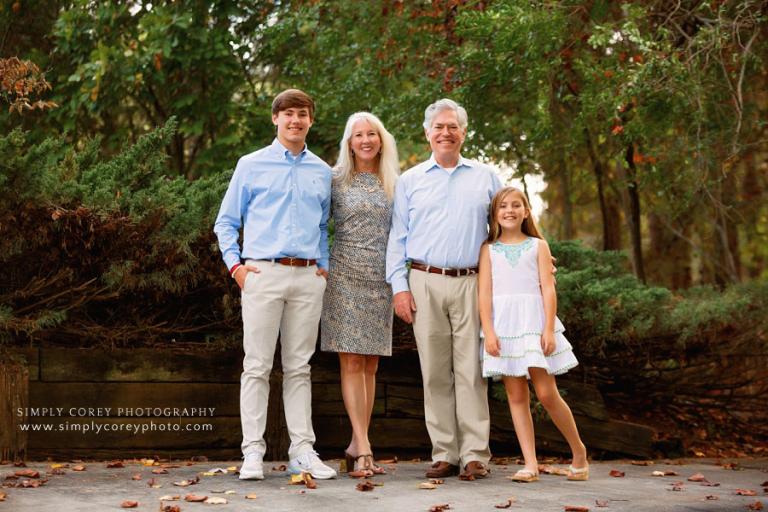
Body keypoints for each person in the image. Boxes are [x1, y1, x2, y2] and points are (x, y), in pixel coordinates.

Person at [213, 89, 337, 481]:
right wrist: (238, 269)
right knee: (257, 365)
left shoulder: (322, 171)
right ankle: (252, 452)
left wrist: (324, 266)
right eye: (288, 114)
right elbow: (226, 222)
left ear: (310, 121)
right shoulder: (251, 165)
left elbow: (322, 226)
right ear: (275, 120)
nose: (295, 120)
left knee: (299, 366)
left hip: (307, 277)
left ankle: (303, 450)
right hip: (262, 274)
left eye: (302, 114)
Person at [386, 98, 501, 479]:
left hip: (471, 282)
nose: (445, 132)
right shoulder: (410, 180)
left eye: (453, 126)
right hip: (424, 282)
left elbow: (504, 231)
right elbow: (397, 239)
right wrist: (399, 288)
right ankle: (444, 452)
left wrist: (535, 258)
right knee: (434, 371)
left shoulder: (486, 177)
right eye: (438, 126)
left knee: (471, 371)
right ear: (427, 133)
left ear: (464, 132)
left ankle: (474, 455)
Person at [478, 186, 588, 483]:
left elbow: (548, 288)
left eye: (516, 205)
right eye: (503, 206)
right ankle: (530, 463)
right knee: (515, 395)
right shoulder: (488, 250)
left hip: (533, 323)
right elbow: (484, 293)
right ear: (495, 214)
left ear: (526, 211)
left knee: (546, 392)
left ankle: (579, 452)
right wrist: (489, 332)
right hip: (503, 327)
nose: (510, 211)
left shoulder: (538, 246)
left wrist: (549, 327)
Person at [320, 112, 399, 477]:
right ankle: (365, 448)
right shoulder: (334, 180)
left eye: (372, 134)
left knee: (371, 363)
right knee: (351, 361)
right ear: (349, 143)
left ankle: (356, 442)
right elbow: (318, 224)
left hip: (380, 278)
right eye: (358, 135)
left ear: (381, 140)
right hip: (344, 275)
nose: (366, 140)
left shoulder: (394, 183)